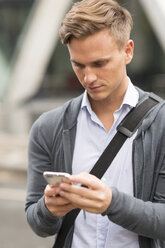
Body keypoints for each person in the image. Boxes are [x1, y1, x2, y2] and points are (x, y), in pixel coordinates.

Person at [25, 0, 165, 247]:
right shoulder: (48, 128)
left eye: (100, 63)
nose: (88, 77)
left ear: (128, 51)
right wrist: (48, 208)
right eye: (78, 64)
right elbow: (37, 223)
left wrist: (112, 203)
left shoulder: (161, 123)